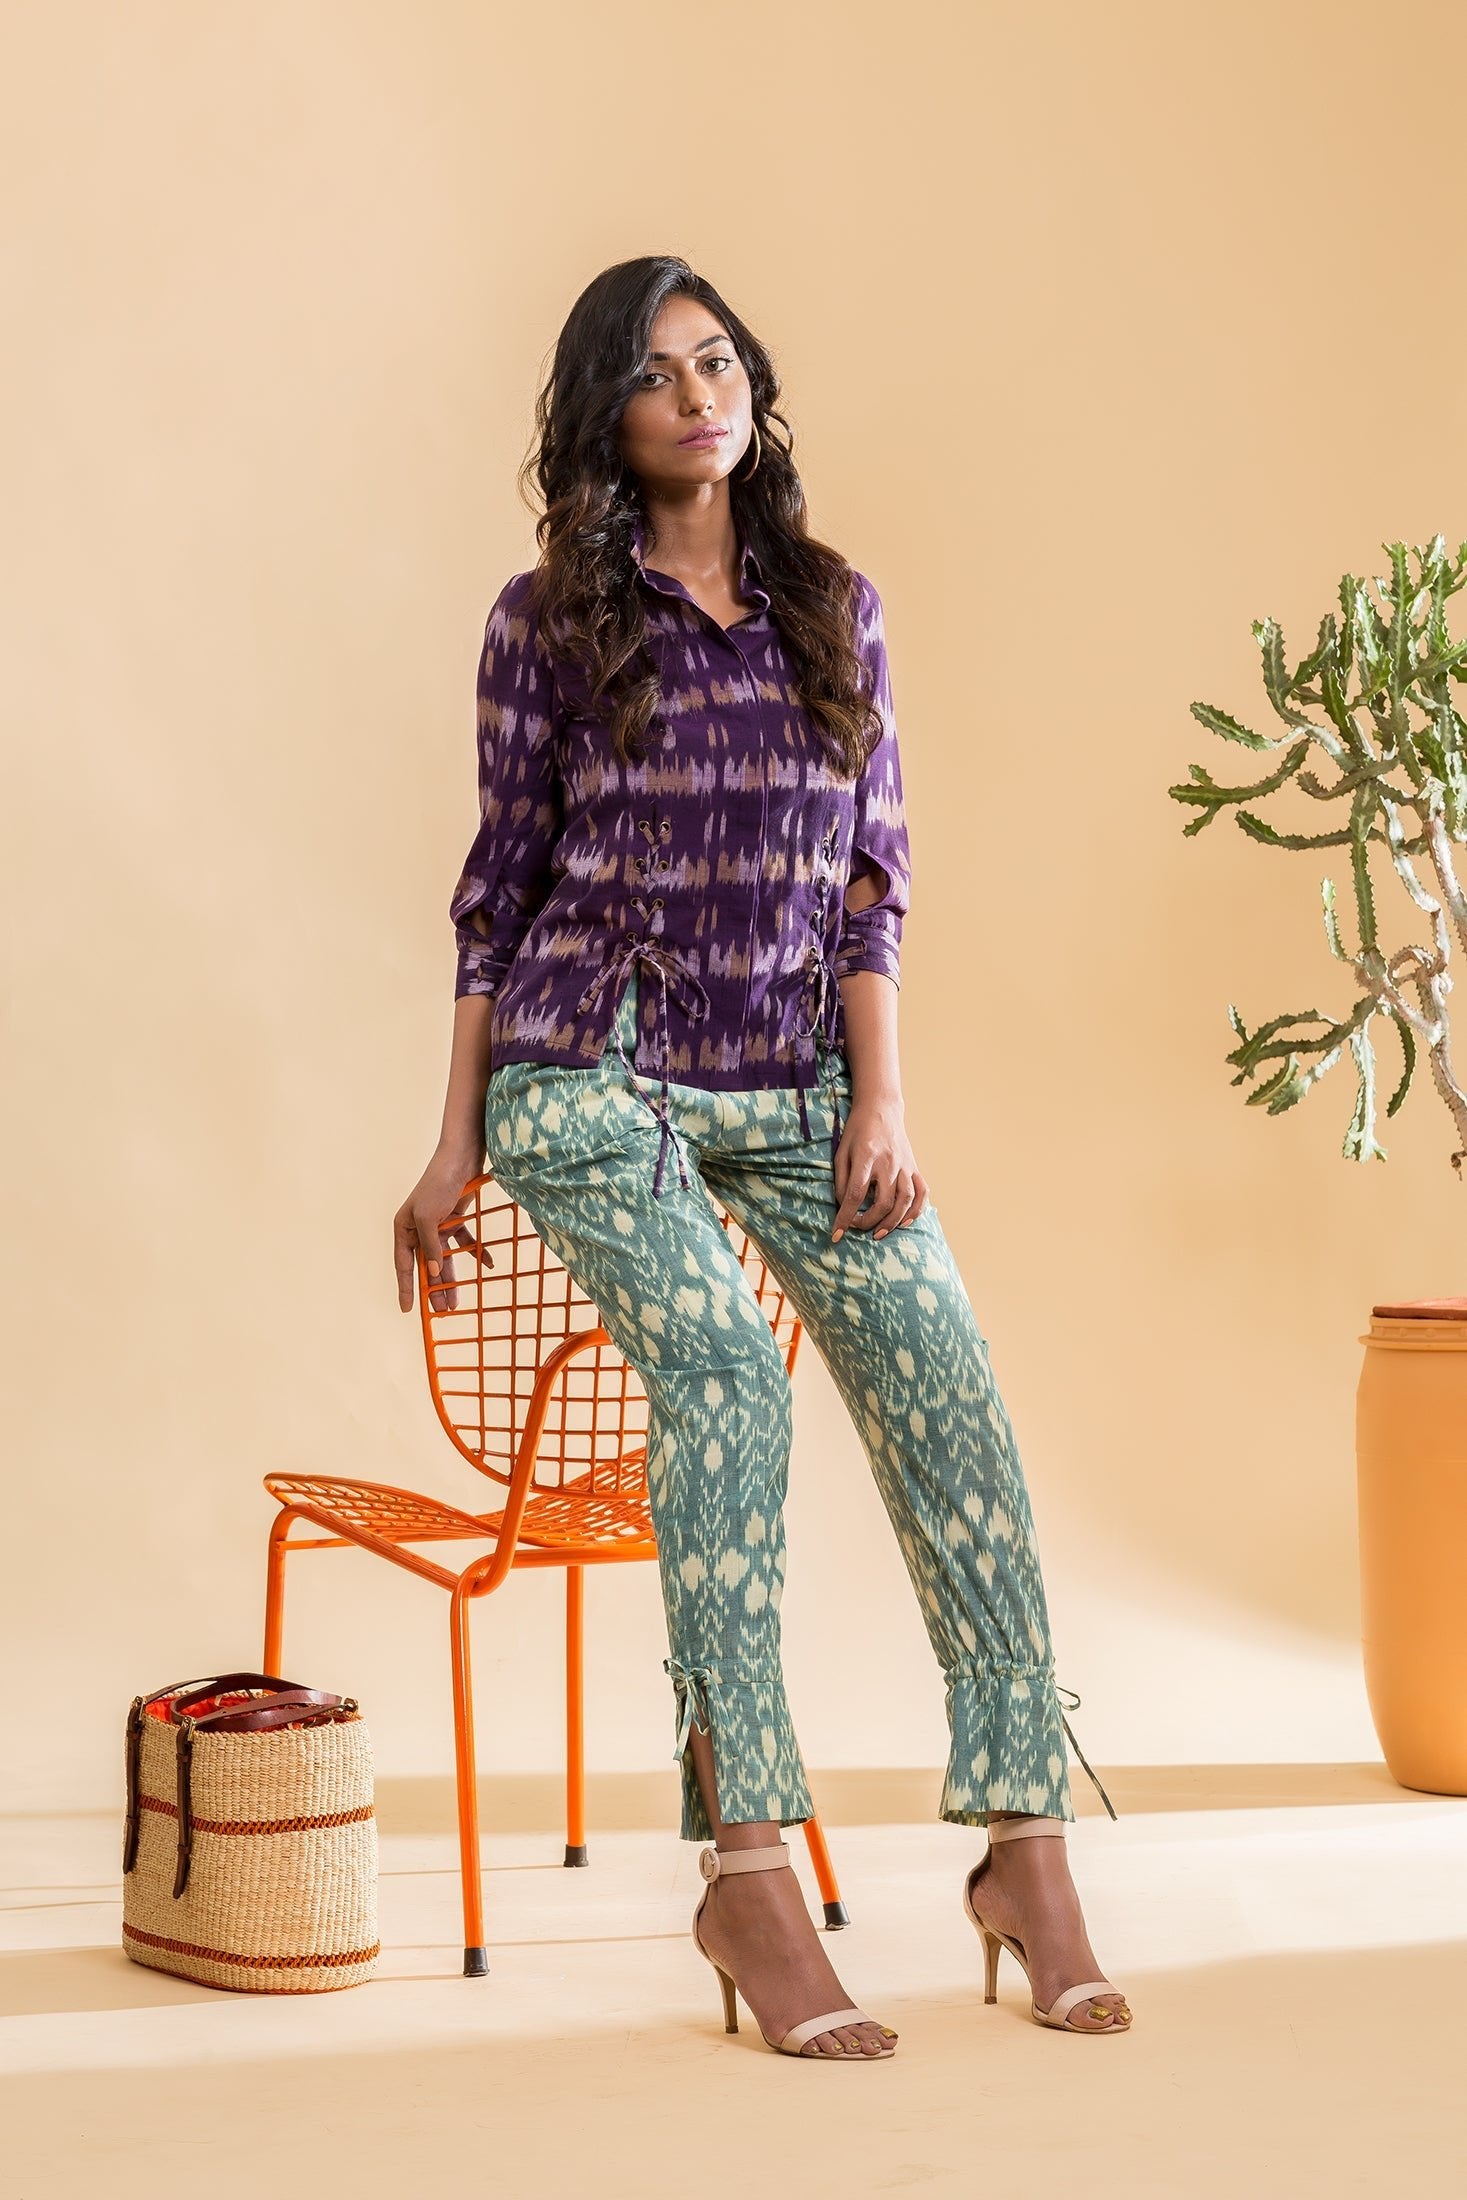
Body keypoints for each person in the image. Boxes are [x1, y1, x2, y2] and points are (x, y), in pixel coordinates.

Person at [394, 255, 1132, 2058]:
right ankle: (744, 1870)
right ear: (605, 419)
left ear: (752, 384)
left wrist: (883, 1103)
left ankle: (1027, 1854)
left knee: (949, 1387)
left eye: (717, 361)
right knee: (726, 1371)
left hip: (800, 1083)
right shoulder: (548, 622)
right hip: (596, 1069)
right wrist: (453, 1139)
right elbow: (499, 894)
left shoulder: (831, 606)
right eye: (656, 375)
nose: (698, 394)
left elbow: (873, 881)